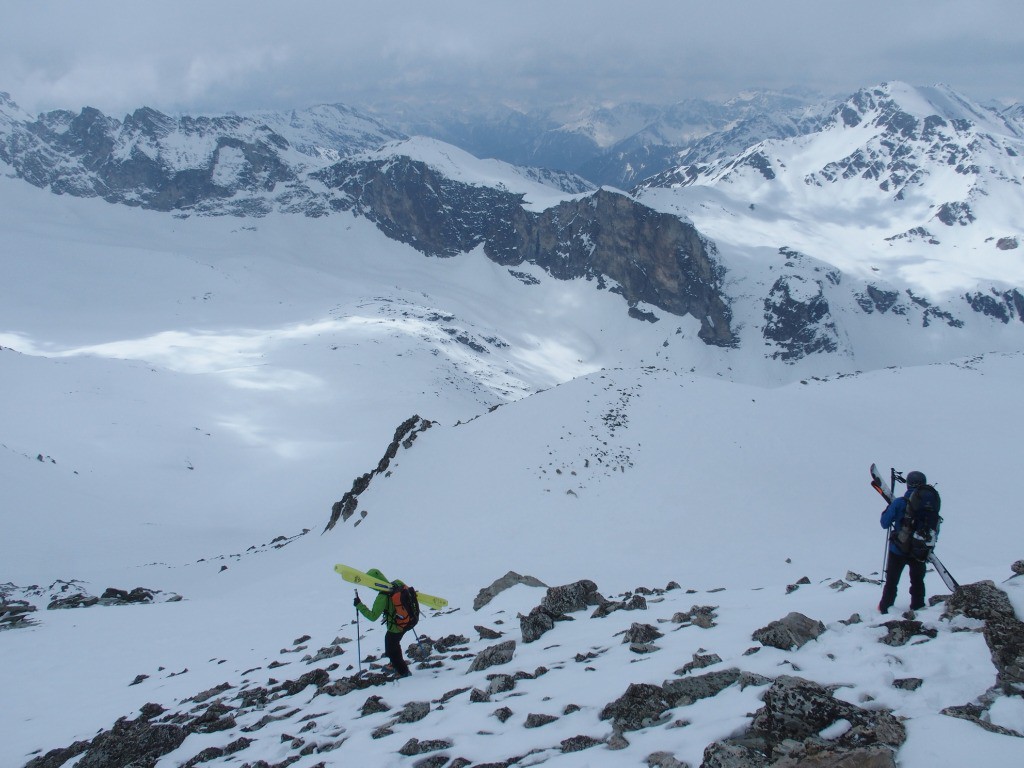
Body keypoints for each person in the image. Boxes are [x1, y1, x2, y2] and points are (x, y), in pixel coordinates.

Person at [878, 470, 928, 614]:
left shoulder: (900, 502)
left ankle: (885, 608)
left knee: (892, 581)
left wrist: (888, 511)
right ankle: (918, 607)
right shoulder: (929, 504)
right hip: (920, 549)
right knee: (917, 580)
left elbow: (884, 523)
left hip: (898, 549)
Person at [354, 568, 412, 678]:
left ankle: (403, 672)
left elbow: (373, 616)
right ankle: (394, 664)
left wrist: (359, 605)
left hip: (396, 626)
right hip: (408, 621)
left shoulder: (382, 596)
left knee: (391, 649)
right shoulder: (397, 583)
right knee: (394, 644)